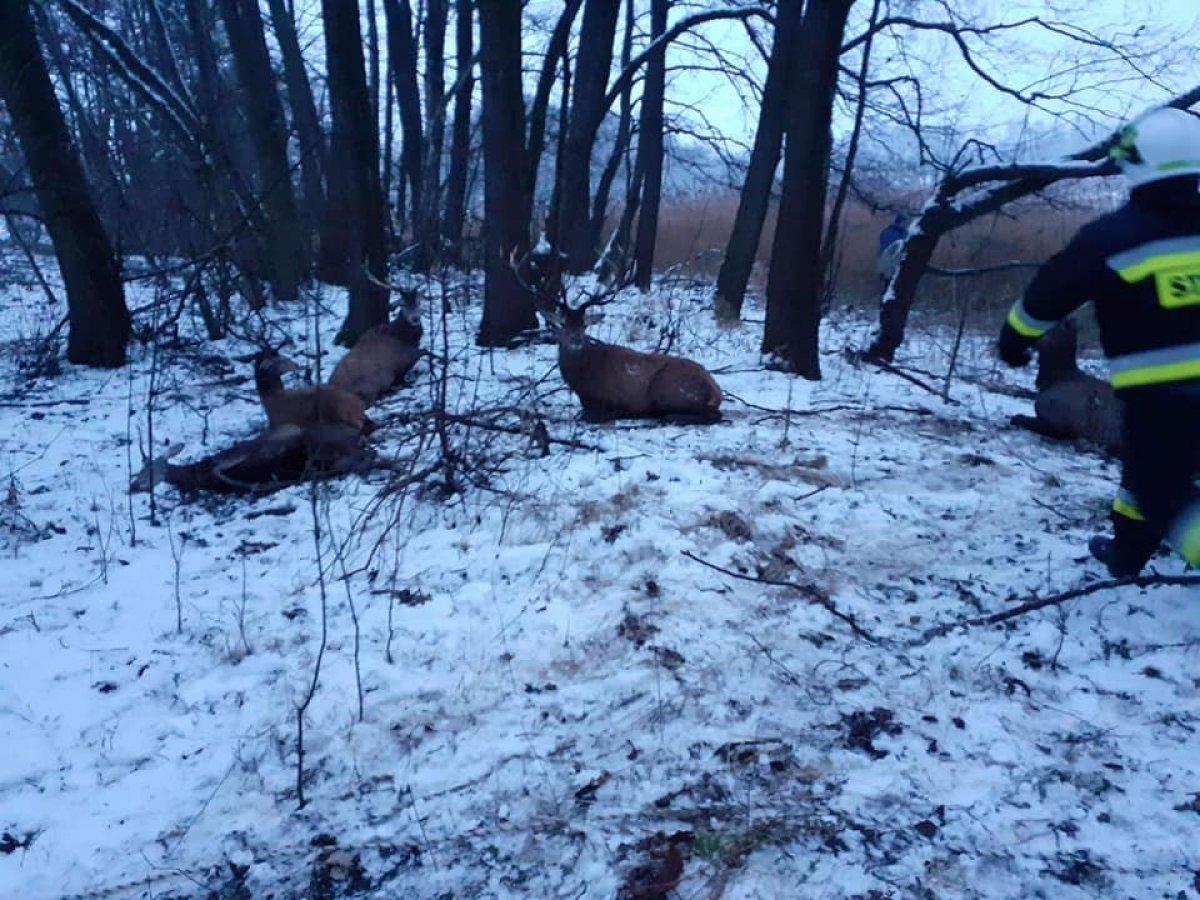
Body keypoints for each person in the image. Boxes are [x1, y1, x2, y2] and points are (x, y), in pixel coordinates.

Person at [997, 107, 1200, 577]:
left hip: (1162, 398)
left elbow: (1046, 297)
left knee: (1161, 492)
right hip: (1164, 407)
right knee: (1146, 473)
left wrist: (1014, 342)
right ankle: (1127, 556)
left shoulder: (1112, 237)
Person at [877, 213, 909, 292]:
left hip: (899, 264)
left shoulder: (905, 233)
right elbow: (886, 251)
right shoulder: (889, 233)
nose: (905, 225)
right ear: (899, 222)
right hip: (889, 264)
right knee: (888, 287)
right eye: (904, 222)